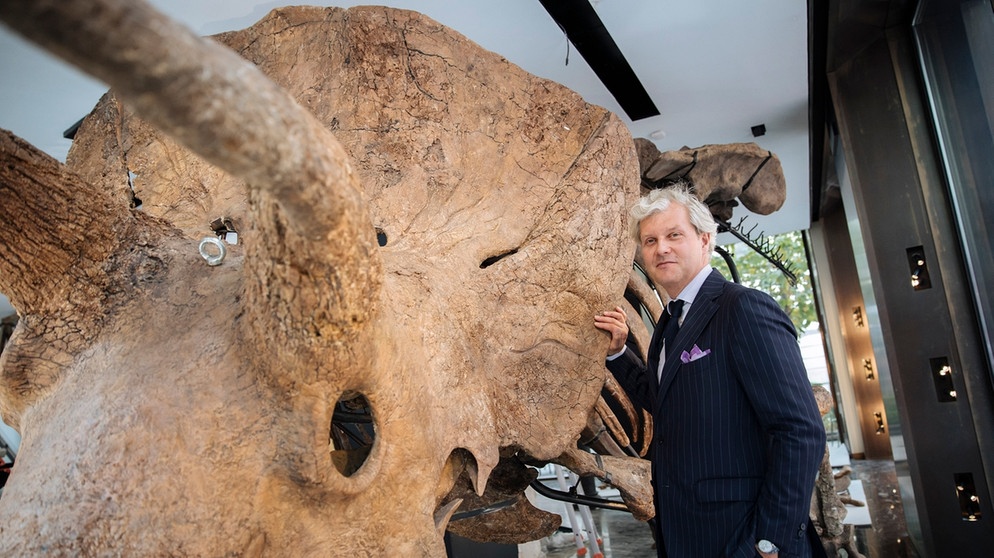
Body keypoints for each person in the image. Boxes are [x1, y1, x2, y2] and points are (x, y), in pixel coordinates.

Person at [594, 185, 826, 558]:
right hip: (688, 534)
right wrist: (619, 352)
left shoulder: (744, 309)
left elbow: (800, 431)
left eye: (673, 235)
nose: (661, 248)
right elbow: (664, 400)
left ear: (704, 240)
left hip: (745, 540)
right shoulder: (670, 325)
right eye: (650, 240)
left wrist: (770, 539)